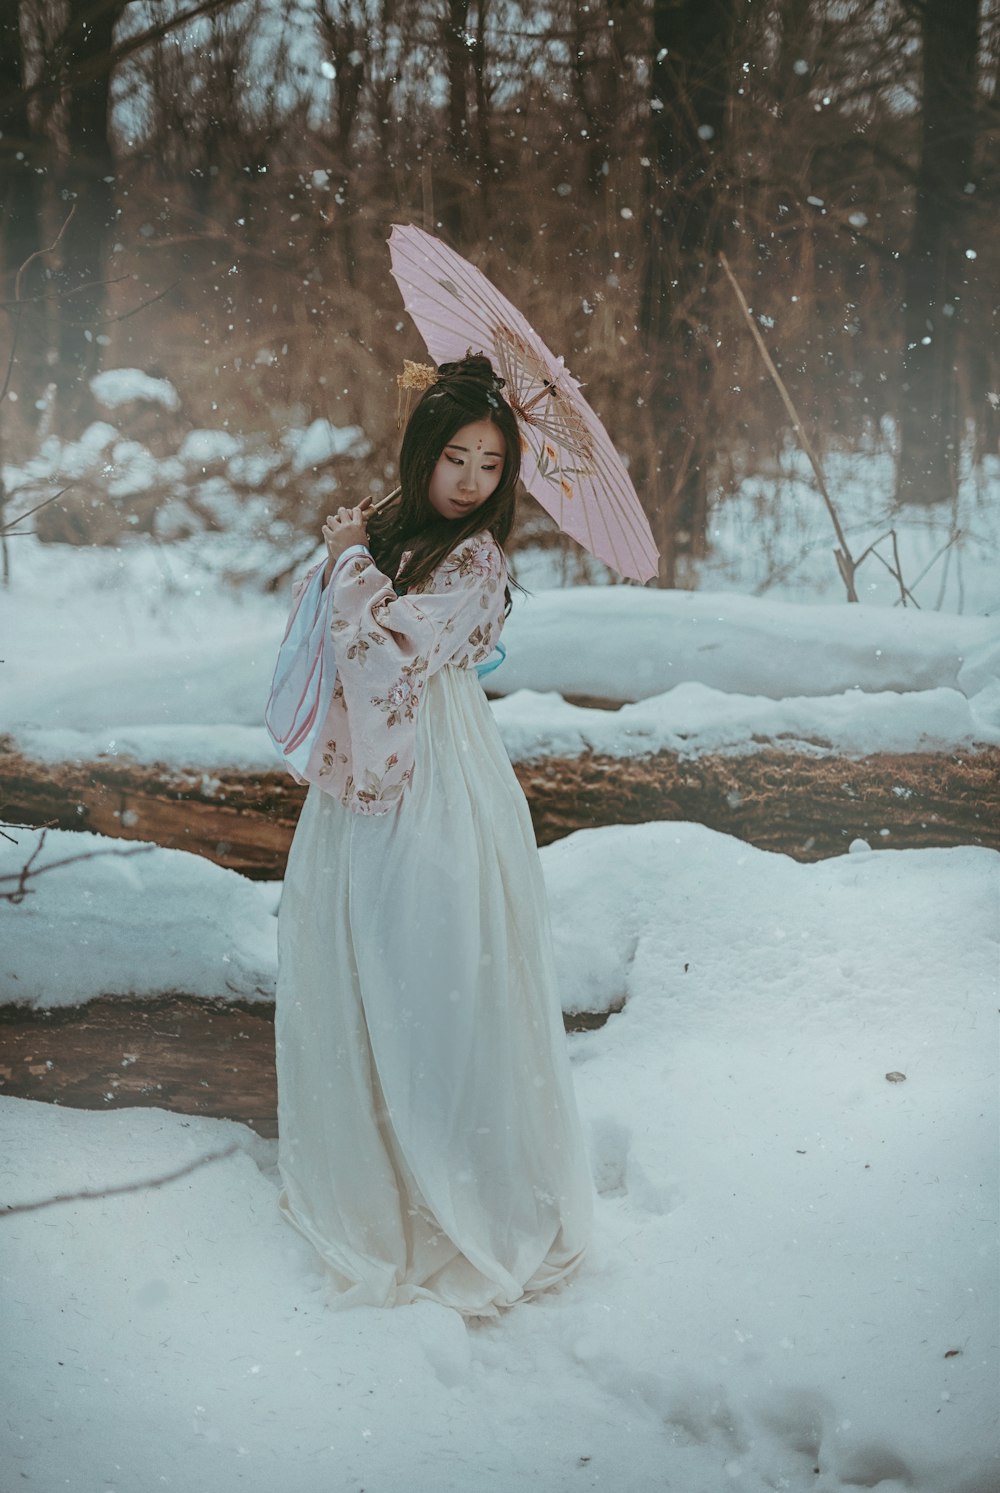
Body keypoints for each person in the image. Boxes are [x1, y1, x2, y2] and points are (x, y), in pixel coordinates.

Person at [270, 353, 594, 1320]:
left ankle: (458, 1179)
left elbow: (395, 652)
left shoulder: (478, 561)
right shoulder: (392, 529)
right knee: (361, 952)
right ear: (423, 453)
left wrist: (349, 566)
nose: (469, 481)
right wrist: (351, 555)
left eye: (491, 465)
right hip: (365, 778)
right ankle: (378, 1162)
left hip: (437, 775)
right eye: (454, 456)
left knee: (434, 959)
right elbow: (334, 638)